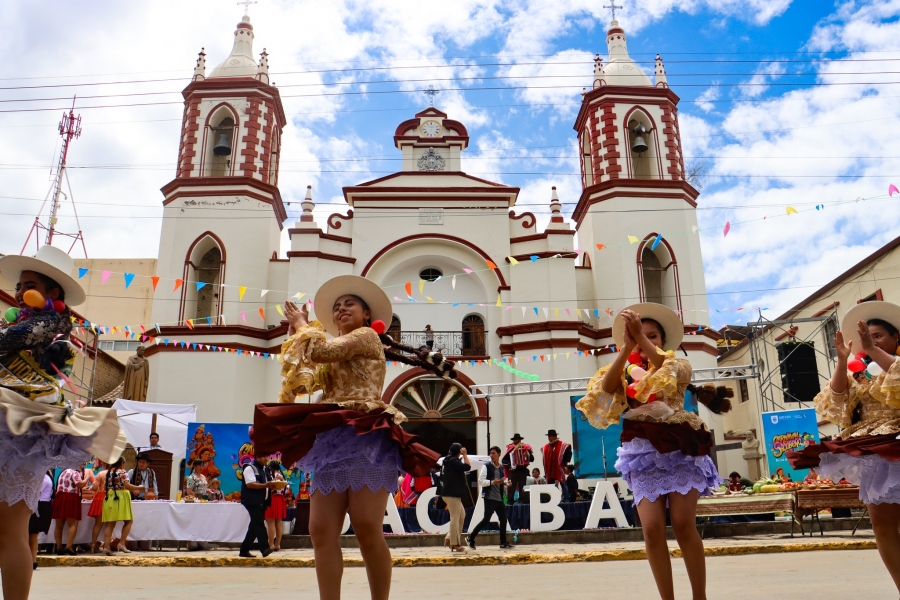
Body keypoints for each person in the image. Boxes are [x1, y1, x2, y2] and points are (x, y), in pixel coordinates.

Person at [253, 275, 450, 600]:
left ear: (366, 314)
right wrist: (297, 336)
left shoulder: (367, 337)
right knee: (320, 529)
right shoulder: (338, 349)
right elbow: (307, 381)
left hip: (366, 434)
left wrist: (304, 327)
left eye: (350, 305)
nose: (342, 309)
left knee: (366, 525)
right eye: (337, 307)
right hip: (332, 438)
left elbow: (321, 350)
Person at [575, 303, 733, 600]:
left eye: (653, 335)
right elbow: (607, 390)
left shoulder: (677, 364)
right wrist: (627, 348)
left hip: (679, 446)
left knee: (685, 525)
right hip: (642, 449)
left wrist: (641, 340)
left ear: (663, 341)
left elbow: (663, 371)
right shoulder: (623, 370)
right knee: (651, 530)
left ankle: (700, 596)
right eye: (638, 333)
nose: (645, 339)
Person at [0, 245, 125, 599]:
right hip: (11, 419)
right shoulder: (24, 319)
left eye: (30, 284)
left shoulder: (50, 322)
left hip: (19, 429)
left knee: (10, 531)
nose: (21, 290)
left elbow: (6, 343)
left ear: (53, 292)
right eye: (20, 284)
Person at [788, 301, 900, 593]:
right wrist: (841, 361)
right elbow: (836, 400)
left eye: (878, 336)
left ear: (896, 338)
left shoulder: (894, 364)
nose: (872, 341)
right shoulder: (856, 371)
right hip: (873, 450)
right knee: (883, 526)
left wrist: (874, 351)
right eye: (868, 337)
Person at [467, 446, 513, 550]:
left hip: (499, 498)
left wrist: (506, 483)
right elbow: (481, 481)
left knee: (503, 519)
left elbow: (500, 481)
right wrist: (492, 482)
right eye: (490, 453)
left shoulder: (500, 467)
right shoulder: (486, 466)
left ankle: (503, 542)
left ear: (499, 454)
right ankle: (470, 537)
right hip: (489, 497)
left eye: (494, 453)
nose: (491, 455)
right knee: (486, 520)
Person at [101, 456, 144, 556]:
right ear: (122, 463)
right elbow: (127, 485)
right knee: (129, 521)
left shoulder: (108, 473)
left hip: (110, 497)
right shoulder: (122, 472)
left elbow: (104, 487)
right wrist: (139, 487)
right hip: (121, 497)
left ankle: (106, 547)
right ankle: (122, 543)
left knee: (110, 524)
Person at [240, 450, 277, 558]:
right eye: (264, 456)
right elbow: (250, 484)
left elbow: (268, 483)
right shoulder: (249, 468)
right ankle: (264, 548)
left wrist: (275, 484)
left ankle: (244, 550)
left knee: (254, 525)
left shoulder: (265, 469)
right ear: (257, 457)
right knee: (259, 523)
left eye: (267, 456)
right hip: (252, 501)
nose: (267, 459)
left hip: (262, 501)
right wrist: (266, 485)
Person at [440, 443, 471, 552]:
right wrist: (465, 454)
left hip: (449, 493)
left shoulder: (448, 461)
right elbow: (467, 466)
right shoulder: (453, 461)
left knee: (462, 515)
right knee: (455, 517)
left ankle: (450, 538)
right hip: (452, 494)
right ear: (458, 452)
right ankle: (455, 543)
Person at [52, 468, 87, 555]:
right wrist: (87, 478)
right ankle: (69, 546)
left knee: (59, 526)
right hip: (71, 498)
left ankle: (59, 547)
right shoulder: (75, 472)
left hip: (60, 498)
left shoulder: (62, 472)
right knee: (73, 524)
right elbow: (80, 484)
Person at [28, 472, 54, 570]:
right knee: (32, 535)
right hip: (42, 505)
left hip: (38, 506)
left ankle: (32, 560)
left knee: (31, 534)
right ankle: (32, 559)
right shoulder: (47, 476)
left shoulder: (43, 477)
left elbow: (35, 492)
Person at [503, 434, 533, 504]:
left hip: (522, 469)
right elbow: (504, 460)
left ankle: (521, 500)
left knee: (522, 485)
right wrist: (509, 466)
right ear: (513, 440)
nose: (516, 441)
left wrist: (527, 455)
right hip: (513, 470)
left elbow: (532, 459)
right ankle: (510, 500)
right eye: (515, 439)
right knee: (511, 485)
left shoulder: (526, 448)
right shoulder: (510, 448)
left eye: (518, 439)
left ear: (520, 440)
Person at [265, 460, 288, 551]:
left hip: (271, 499)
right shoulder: (281, 476)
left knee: (270, 523)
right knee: (278, 524)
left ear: (270, 467)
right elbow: (286, 489)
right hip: (280, 499)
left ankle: (271, 544)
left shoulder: (269, 476)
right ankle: (278, 544)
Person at [87, 467, 108, 553]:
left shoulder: (101, 473)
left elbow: (95, 487)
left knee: (98, 524)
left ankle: (93, 545)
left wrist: (91, 487)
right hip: (110, 497)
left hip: (100, 497)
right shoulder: (119, 473)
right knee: (109, 525)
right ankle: (107, 546)